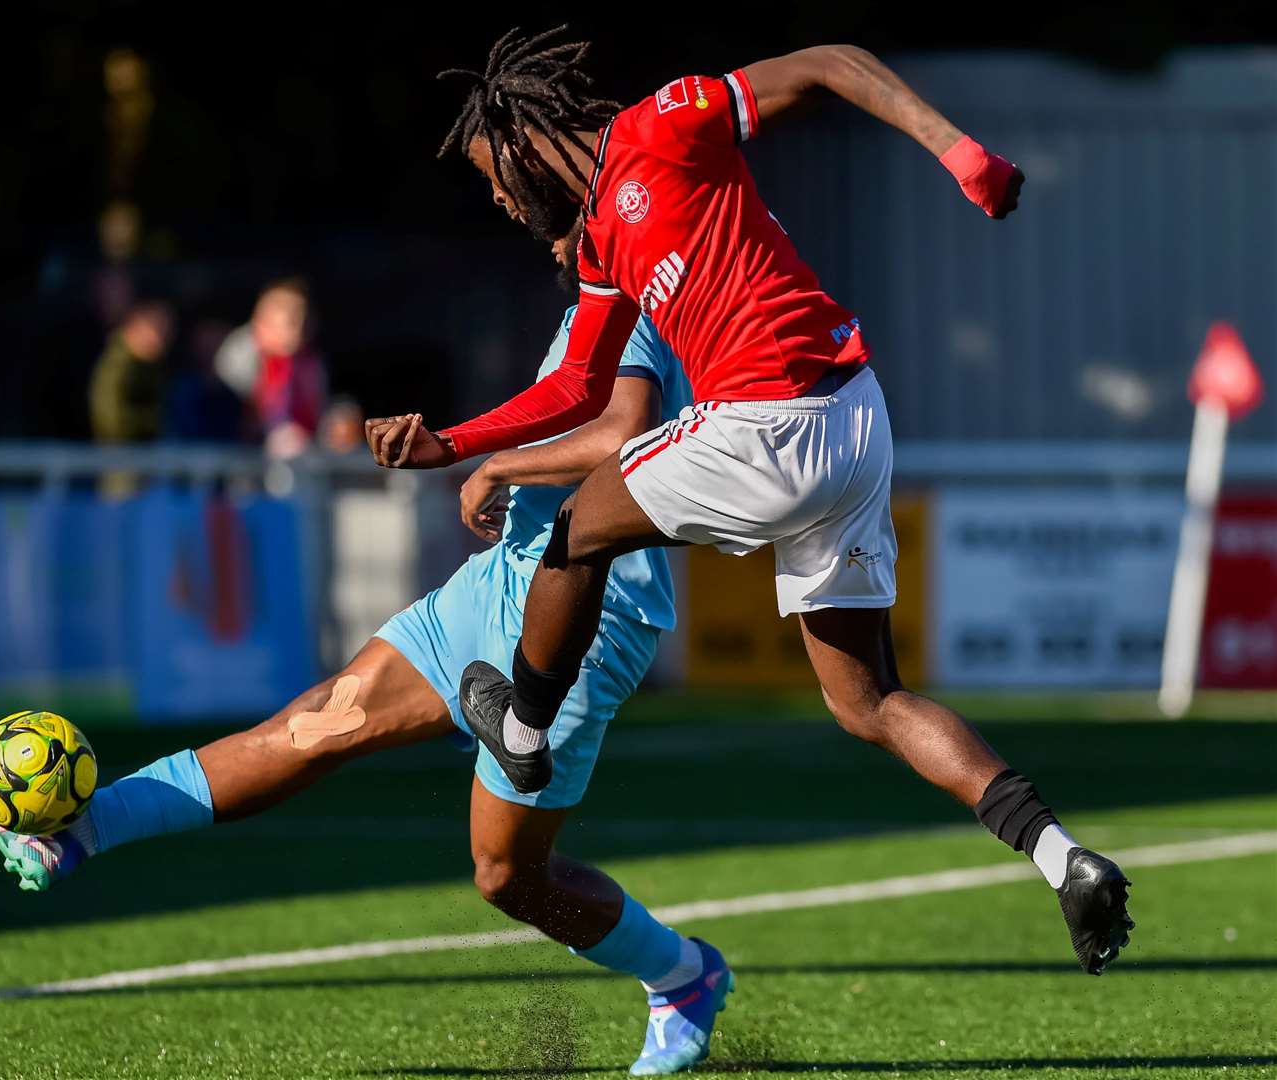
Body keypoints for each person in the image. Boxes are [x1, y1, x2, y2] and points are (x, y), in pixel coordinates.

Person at [364, 27, 1134, 986]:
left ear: (523, 141)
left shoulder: (664, 122)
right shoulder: (602, 238)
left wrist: (955, 150)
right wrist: (457, 442)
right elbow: (575, 387)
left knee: (571, 530)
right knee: (867, 701)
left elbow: (828, 64)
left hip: (770, 420)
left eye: (491, 173)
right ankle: (1063, 858)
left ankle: (522, 733)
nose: (496, 197)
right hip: (854, 420)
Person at [0, 224, 731, 1076]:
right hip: (498, 585)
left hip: (587, 615)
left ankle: (681, 975)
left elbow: (624, 432)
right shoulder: (587, 312)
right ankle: (75, 835)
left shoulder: (636, 301)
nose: (520, 213)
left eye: (530, 192)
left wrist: (492, 465)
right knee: (311, 726)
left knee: (505, 878)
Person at [214, 277, 329, 458]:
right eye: (289, 314)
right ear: (261, 319)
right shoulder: (238, 357)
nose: (300, 323)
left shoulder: (310, 364)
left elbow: (316, 419)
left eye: (304, 313)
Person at [88, 300, 174, 443]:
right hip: (122, 458)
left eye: (167, 330)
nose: (163, 338)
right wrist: (154, 421)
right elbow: (112, 420)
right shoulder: (117, 366)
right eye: (157, 328)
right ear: (137, 326)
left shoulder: (153, 365)